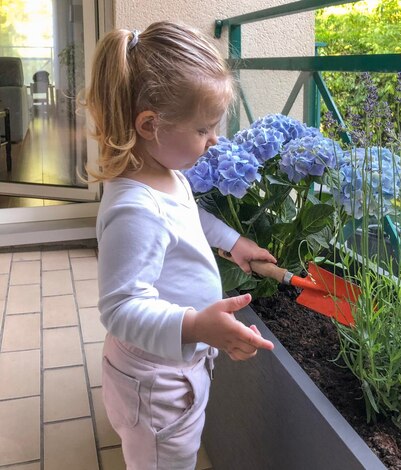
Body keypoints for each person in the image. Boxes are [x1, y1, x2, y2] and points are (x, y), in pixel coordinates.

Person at [85, 21, 276, 470]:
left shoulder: (166, 174)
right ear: (151, 125)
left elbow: (187, 218)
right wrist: (193, 325)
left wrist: (233, 243)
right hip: (156, 381)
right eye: (204, 129)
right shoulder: (136, 209)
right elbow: (120, 307)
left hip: (172, 367)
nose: (215, 141)